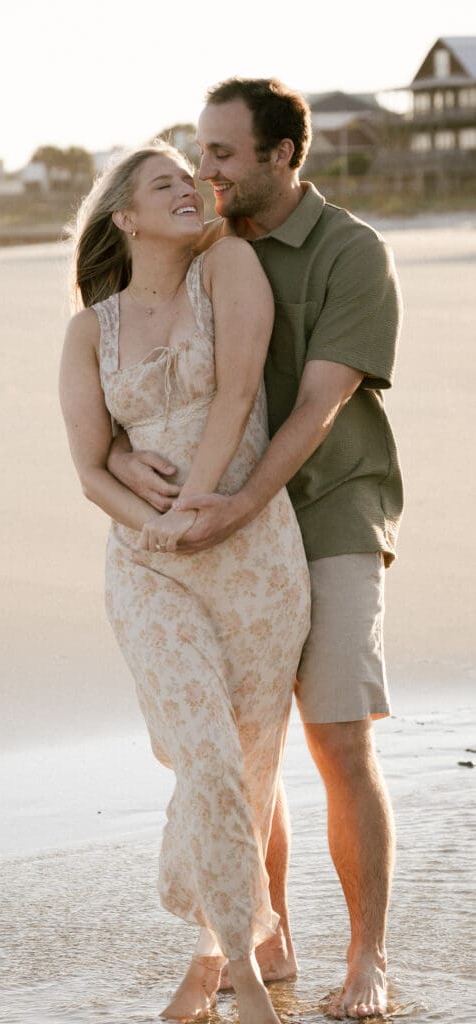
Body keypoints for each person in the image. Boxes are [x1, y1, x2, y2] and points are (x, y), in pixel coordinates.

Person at [108, 79, 403, 1021]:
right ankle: (263, 941)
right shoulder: (196, 247)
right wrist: (119, 456)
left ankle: (367, 959)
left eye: (224, 154)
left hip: (326, 512)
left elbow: (318, 405)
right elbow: (131, 367)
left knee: (336, 735)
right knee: (243, 745)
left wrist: (235, 503)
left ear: (283, 155)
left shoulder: (350, 252)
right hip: (219, 518)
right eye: (200, 152)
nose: (205, 171)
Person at [59, 140, 310, 1024]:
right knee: (201, 751)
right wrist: (156, 521)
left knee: (242, 768)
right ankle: (243, 971)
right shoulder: (91, 329)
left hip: (252, 554)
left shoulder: (229, 267)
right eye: (163, 184)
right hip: (150, 564)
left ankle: (207, 957)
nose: (189, 191)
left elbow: (239, 393)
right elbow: (90, 468)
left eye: (190, 181)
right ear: (124, 217)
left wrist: (202, 504)